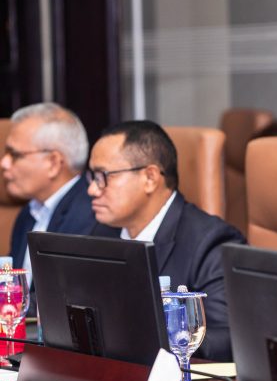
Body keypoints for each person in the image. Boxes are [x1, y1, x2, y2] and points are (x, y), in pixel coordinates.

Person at [88, 120, 245, 361]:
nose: (92, 189)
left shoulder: (210, 242)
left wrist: (143, 337)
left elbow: (226, 339)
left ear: (150, 178)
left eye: (103, 176)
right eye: (92, 177)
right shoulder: (101, 233)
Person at [3, 103, 113, 276]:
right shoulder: (29, 212)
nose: (4, 163)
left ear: (53, 163)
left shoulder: (91, 218)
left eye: (15, 155)